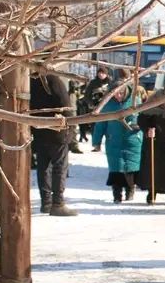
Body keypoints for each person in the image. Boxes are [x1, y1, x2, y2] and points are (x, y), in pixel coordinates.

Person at [29, 69, 77, 216]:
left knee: (43, 167)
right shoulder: (54, 80)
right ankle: (58, 203)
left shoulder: (31, 81)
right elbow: (66, 105)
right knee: (59, 167)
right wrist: (71, 130)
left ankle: (46, 203)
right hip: (57, 132)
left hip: (39, 131)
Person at [91, 85, 143, 203]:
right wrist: (96, 141)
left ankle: (130, 191)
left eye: (121, 93)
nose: (118, 96)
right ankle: (117, 194)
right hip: (114, 140)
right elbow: (100, 124)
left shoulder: (136, 101)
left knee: (131, 168)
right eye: (116, 93)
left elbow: (143, 119)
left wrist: (140, 127)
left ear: (126, 92)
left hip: (133, 140)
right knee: (116, 169)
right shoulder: (107, 105)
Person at [80, 67, 112, 143]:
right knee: (95, 127)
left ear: (106, 74)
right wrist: (91, 103)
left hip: (108, 107)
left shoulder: (110, 83)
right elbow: (87, 96)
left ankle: (109, 142)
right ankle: (96, 143)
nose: (101, 74)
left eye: (103, 73)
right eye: (99, 72)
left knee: (109, 126)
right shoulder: (93, 83)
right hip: (95, 107)